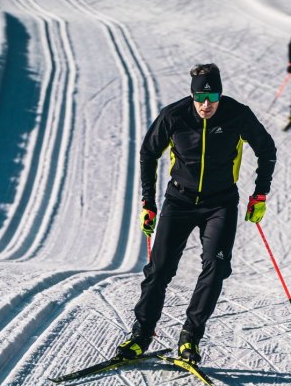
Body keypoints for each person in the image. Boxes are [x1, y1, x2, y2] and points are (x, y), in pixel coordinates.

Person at [116, 63, 277, 364]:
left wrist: (260, 194)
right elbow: (148, 153)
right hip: (179, 200)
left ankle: (190, 337)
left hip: (220, 203)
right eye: (200, 97)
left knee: (215, 267)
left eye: (212, 96)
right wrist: (148, 203)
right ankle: (141, 334)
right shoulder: (173, 116)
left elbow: (267, 149)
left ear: (220, 93)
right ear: (191, 95)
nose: (206, 104)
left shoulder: (236, 114)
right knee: (159, 270)